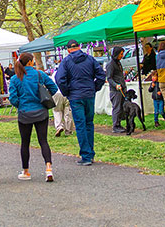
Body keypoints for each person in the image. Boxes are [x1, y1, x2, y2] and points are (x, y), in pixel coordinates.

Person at [55, 39, 106, 166]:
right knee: (89, 123)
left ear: (68, 50)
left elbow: (59, 79)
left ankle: (86, 155)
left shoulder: (66, 61)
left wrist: (67, 92)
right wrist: (94, 87)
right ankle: (90, 153)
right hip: (89, 94)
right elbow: (101, 75)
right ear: (79, 47)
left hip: (75, 95)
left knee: (80, 125)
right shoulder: (90, 59)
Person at [9, 53, 58, 182]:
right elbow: (54, 88)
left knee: (25, 143)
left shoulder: (15, 78)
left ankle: (26, 171)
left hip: (25, 113)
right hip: (41, 111)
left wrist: (21, 104)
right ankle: (48, 169)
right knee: (43, 141)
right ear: (30, 62)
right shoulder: (40, 74)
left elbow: (13, 98)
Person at [106, 46, 127, 134]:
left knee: (121, 108)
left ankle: (119, 124)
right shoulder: (111, 64)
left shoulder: (118, 63)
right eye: (121, 54)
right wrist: (116, 85)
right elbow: (109, 78)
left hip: (122, 89)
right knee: (117, 108)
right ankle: (115, 126)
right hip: (115, 91)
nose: (122, 56)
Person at [50, 69, 74, 137]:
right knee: (68, 111)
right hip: (67, 93)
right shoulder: (69, 72)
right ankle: (68, 130)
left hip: (56, 93)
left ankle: (59, 126)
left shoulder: (54, 73)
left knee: (57, 110)